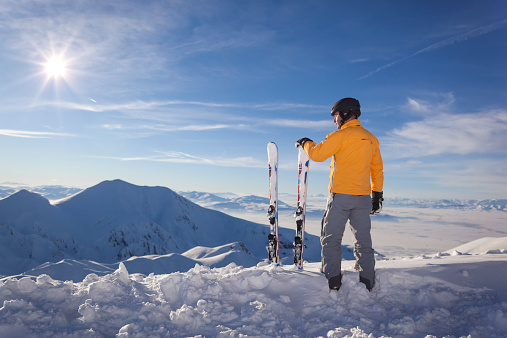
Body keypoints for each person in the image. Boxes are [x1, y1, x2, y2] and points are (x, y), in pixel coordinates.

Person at [296, 97, 384, 292]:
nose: (334, 120)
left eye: (335, 115)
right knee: (363, 241)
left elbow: (317, 155)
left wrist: (306, 143)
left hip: (340, 197)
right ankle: (367, 282)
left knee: (331, 239)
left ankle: (332, 281)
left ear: (345, 113)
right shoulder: (371, 138)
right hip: (363, 198)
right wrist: (377, 195)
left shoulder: (341, 136)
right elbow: (377, 170)